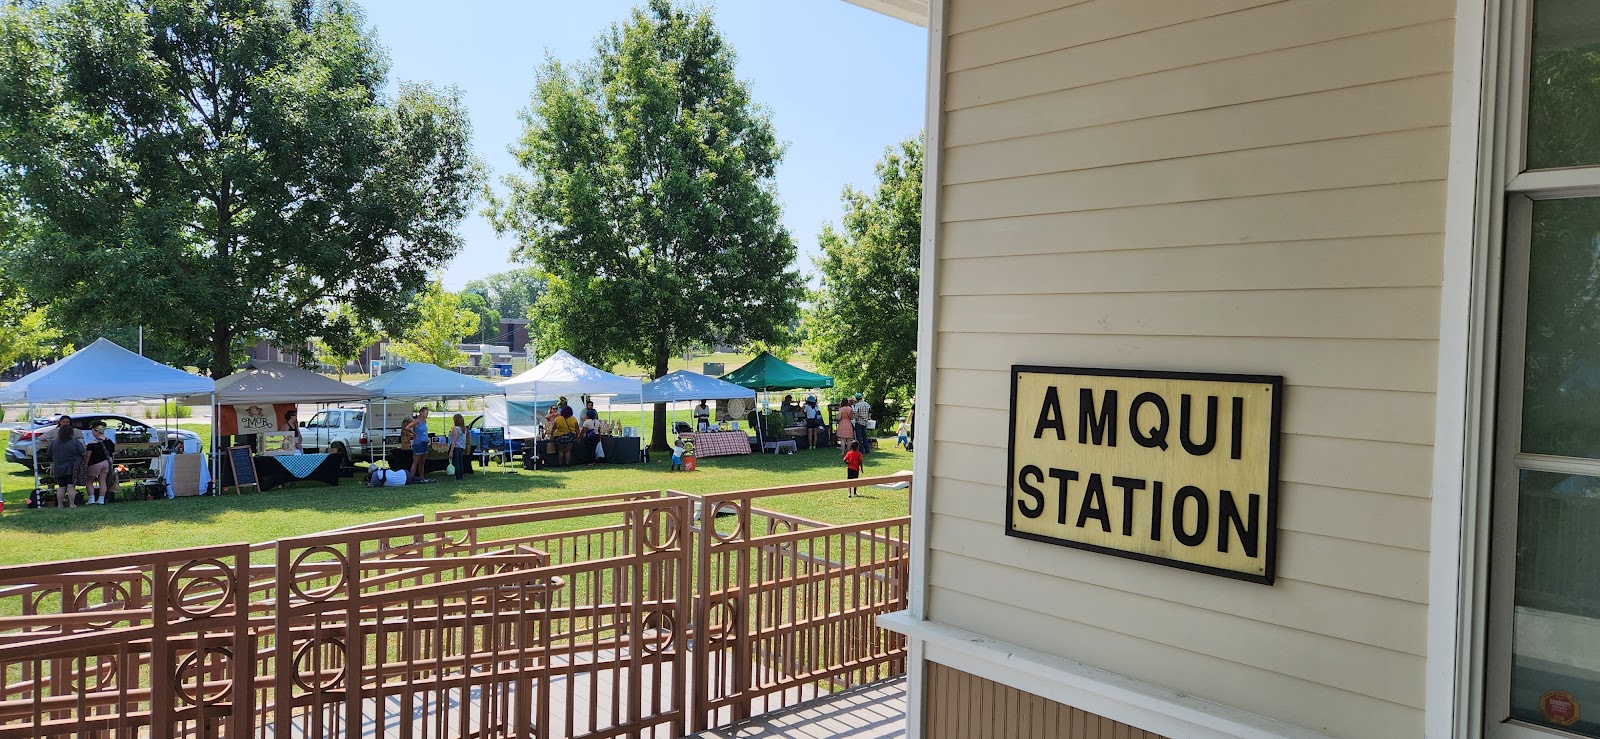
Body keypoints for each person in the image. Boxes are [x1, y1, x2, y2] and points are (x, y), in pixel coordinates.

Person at [50, 415, 86, 509]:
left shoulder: (54, 442)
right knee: (70, 486)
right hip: (71, 467)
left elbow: (49, 453)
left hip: (58, 467)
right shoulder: (74, 442)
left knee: (61, 487)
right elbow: (83, 452)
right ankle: (71, 504)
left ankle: (60, 504)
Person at [85, 422, 116, 505]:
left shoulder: (92, 443)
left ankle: (91, 499)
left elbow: (88, 455)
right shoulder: (110, 442)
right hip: (106, 464)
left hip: (94, 464)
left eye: (93, 431)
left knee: (89, 481)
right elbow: (112, 455)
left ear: (96, 431)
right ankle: (101, 499)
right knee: (102, 481)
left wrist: (85, 464)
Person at [407, 407, 431, 482]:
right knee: (416, 461)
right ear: (421, 413)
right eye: (426, 413)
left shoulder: (425, 421)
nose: (427, 415)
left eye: (427, 413)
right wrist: (414, 433)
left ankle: (421, 477)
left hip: (424, 442)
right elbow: (407, 427)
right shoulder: (417, 421)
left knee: (422, 461)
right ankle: (411, 477)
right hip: (418, 443)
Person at [447, 414, 468, 481]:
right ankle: (461, 476)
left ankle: (458, 477)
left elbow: (454, 440)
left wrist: (451, 451)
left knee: (456, 462)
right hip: (461, 447)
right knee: (460, 462)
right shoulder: (464, 429)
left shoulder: (455, 429)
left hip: (456, 447)